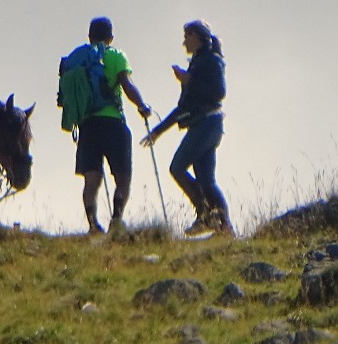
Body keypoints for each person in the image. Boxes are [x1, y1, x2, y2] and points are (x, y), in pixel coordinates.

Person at [142, 19, 232, 236]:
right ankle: (223, 227)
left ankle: (205, 215)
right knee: (206, 181)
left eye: (187, 36)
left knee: (177, 167)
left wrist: (189, 80)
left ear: (197, 36)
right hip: (206, 124)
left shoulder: (211, 61)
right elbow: (184, 106)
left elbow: (219, 92)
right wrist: (158, 130)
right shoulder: (198, 63)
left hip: (207, 123)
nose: (184, 42)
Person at [73, 16, 150, 234]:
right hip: (113, 123)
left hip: (87, 125)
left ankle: (92, 225)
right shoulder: (115, 56)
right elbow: (126, 84)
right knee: (123, 177)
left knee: (91, 179)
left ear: (89, 36)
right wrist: (142, 105)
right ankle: (116, 220)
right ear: (111, 37)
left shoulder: (76, 58)